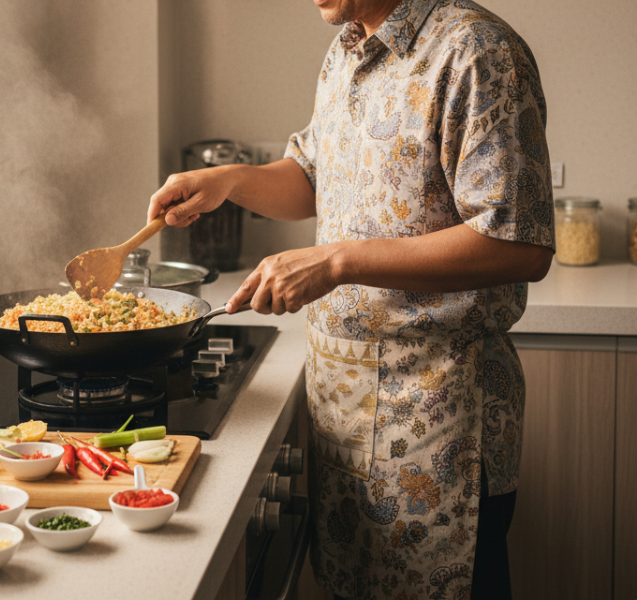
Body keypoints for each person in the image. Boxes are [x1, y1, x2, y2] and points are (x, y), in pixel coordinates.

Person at [146, 0, 555, 598]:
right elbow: (315, 180)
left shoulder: (476, 50)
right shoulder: (348, 49)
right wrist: (227, 180)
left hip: (439, 425)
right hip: (344, 417)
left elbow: (519, 245)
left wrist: (338, 261)